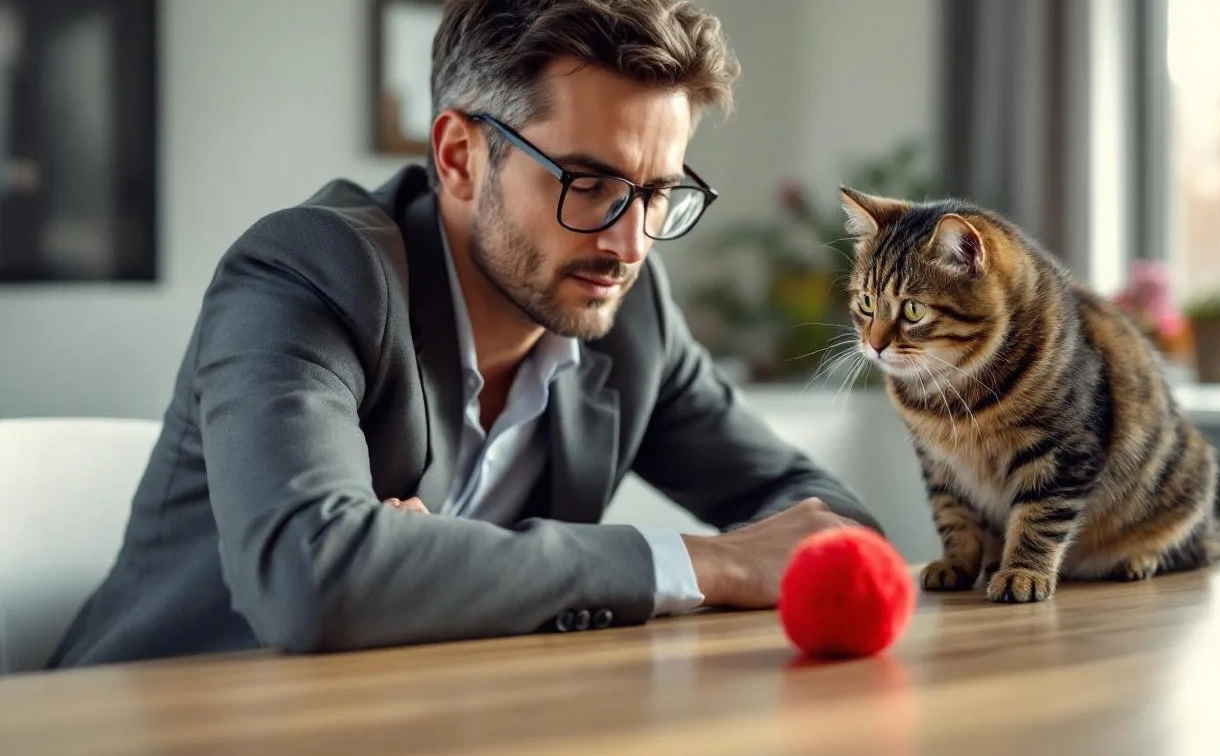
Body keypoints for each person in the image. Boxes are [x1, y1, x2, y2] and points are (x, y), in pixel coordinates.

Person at [48, 0, 881, 668]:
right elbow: (312, 580)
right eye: (587, 182)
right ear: (457, 156)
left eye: (657, 192)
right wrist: (704, 563)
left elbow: (827, 522)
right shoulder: (310, 272)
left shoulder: (632, 320)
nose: (630, 243)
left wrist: (427, 564)